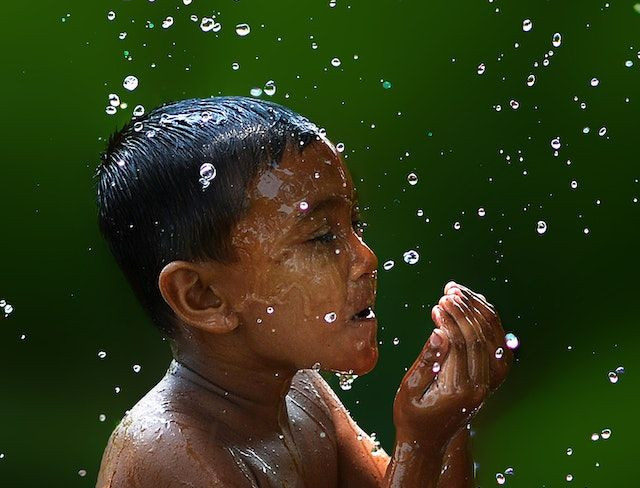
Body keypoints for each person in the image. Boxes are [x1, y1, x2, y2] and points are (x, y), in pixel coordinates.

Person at [93, 96, 511, 487]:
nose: (366, 258)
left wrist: (450, 421)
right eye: (322, 236)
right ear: (204, 296)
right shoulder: (170, 454)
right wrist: (421, 443)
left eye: (355, 225)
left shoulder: (300, 394)